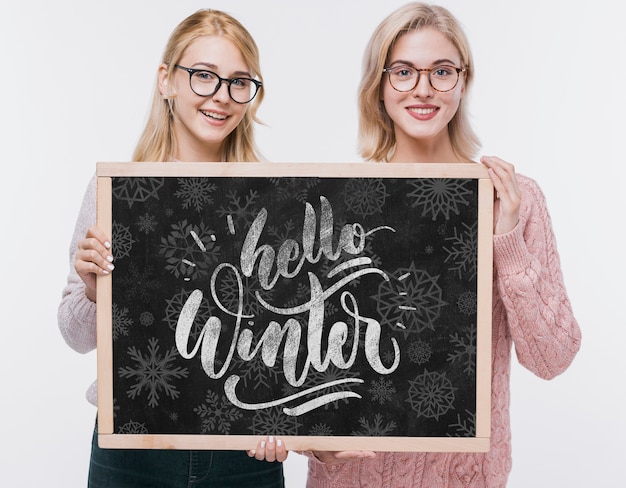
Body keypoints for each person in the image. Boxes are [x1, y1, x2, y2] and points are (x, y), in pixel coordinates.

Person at [304, 2, 582, 487]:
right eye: (404, 72)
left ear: (463, 80)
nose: (424, 89)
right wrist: (315, 443)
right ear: (380, 85)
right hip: (353, 479)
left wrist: (508, 241)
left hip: (463, 478)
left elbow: (552, 358)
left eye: (442, 71)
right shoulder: (338, 202)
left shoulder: (512, 198)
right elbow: (302, 361)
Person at [57, 9, 287, 487]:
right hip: (132, 449)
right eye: (204, 76)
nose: (221, 97)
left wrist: (284, 421)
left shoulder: (274, 199)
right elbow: (75, 336)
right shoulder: (118, 194)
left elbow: (288, 339)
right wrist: (94, 288)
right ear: (167, 80)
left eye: (239, 82)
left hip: (242, 453)